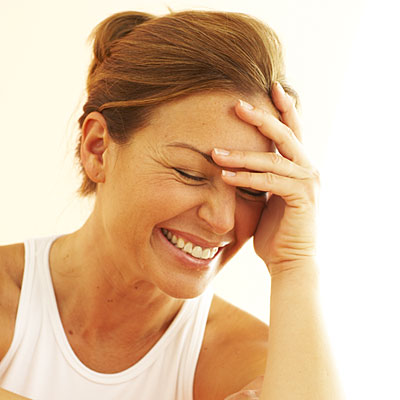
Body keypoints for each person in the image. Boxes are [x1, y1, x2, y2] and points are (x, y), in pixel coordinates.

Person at [0, 9, 344, 400]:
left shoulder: (255, 358)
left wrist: (294, 262)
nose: (222, 221)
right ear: (98, 149)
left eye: (250, 190)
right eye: (190, 174)